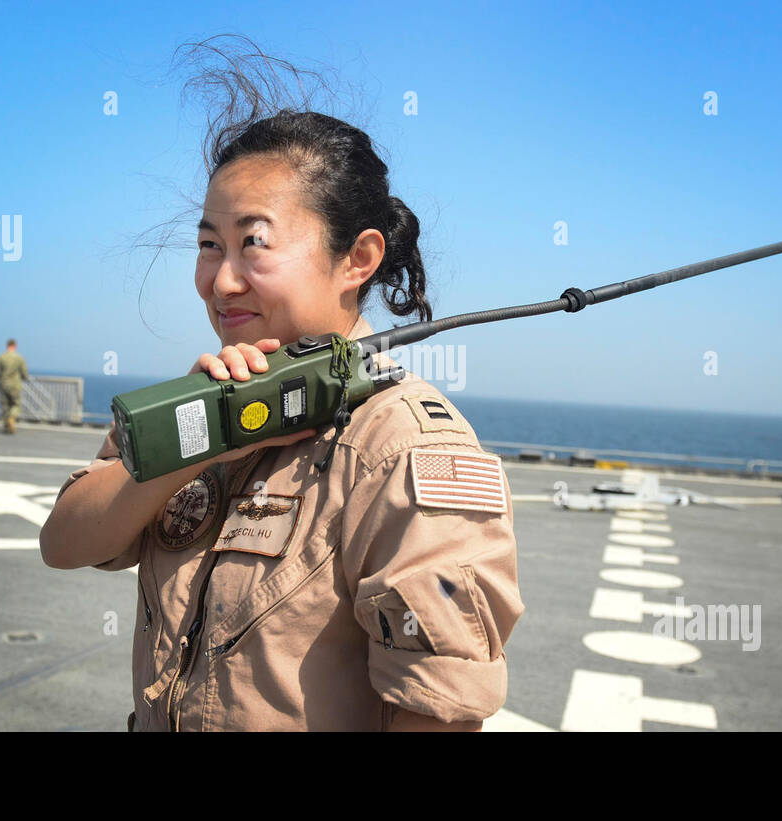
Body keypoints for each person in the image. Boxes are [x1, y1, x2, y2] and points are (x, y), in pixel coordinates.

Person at [40, 52, 523, 732]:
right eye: (210, 245)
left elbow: (435, 708)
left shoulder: (406, 444)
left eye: (253, 244)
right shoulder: (200, 400)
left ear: (357, 259)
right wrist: (200, 435)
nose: (222, 279)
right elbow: (65, 541)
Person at [0, 339, 29, 434]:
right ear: (15, 346)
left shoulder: (1, 357)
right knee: (16, 404)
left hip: (3, 384)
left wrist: (1, 378)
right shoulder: (19, 358)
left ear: (7, 345)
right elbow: (24, 373)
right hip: (15, 385)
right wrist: (23, 378)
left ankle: (6, 424)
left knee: (5, 405)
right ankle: (12, 418)